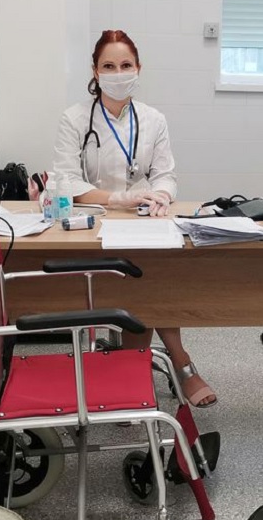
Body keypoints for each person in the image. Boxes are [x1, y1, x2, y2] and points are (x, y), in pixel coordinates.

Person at [51, 29, 217, 408]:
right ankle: (179, 365)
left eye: (125, 64)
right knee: (142, 284)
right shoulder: (74, 119)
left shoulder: (153, 119)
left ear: (138, 68)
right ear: (94, 71)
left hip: (143, 222)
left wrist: (161, 194)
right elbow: (66, 181)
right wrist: (117, 199)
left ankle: (137, 373)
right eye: (109, 65)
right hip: (89, 225)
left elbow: (166, 174)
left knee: (153, 277)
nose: (118, 72)